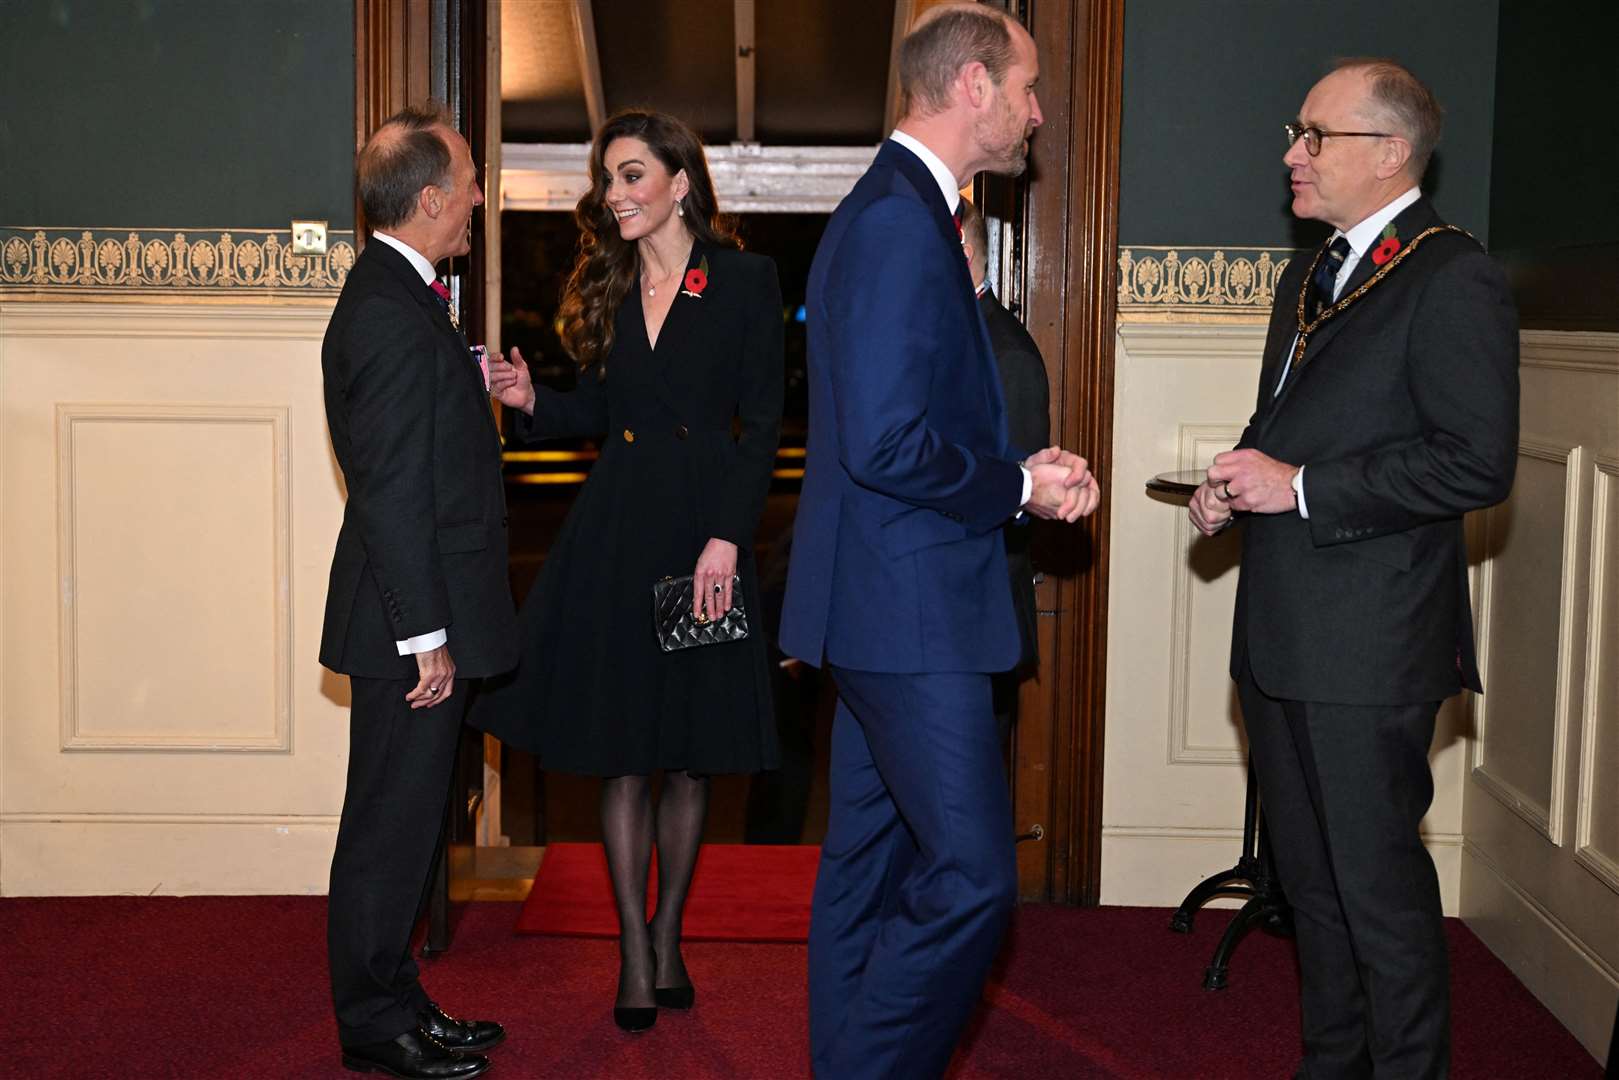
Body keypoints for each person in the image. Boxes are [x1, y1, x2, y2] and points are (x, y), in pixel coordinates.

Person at [778, 7, 1102, 1077]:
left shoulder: (910, 210)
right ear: (970, 84)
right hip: (907, 613)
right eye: (1025, 88)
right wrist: (1016, 486)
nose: (1035, 112)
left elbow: (912, 420)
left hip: (886, 603)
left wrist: (1022, 475)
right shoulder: (893, 223)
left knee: (867, 872)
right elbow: (883, 444)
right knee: (971, 879)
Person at [1188, 59, 1518, 1078]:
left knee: (1374, 892)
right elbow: (1284, 425)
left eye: (1313, 135)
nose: (1290, 153)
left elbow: (1474, 460)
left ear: (1386, 152)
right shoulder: (1310, 270)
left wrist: (1296, 487)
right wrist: (1232, 483)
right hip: (1282, 635)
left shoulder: (1448, 273)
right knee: (1312, 888)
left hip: (1370, 646)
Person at [475, 110, 784, 1034]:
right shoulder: (611, 288)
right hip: (617, 535)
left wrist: (728, 538)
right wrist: (535, 400)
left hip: (703, 538)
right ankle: (633, 952)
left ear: (680, 182)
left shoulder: (742, 280)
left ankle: (670, 931)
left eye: (633, 175)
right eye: (608, 178)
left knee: (689, 755)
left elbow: (762, 424)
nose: (615, 195)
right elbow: (608, 411)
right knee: (622, 751)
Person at [319, 105, 517, 1080]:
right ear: (431, 198)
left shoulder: (400, 299)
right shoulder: (392, 316)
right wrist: (427, 637)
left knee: (405, 821)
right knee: (388, 828)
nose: (480, 196)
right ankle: (370, 1022)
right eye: (471, 180)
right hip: (408, 625)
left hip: (412, 613)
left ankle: (396, 999)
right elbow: (394, 495)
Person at [959, 197, 1051, 745]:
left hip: (980, 613)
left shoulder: (1006, 352)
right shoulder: (945, 336)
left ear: (964, 250)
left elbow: (1019, 496)